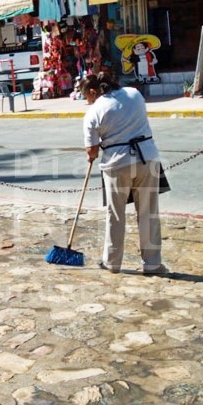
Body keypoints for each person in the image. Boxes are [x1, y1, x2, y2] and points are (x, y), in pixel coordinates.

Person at [81, 72, 167, 274]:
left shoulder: (93, 112)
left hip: (117, 162)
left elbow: (92, 150)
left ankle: (112, 262)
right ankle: (152, 263)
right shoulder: (134, 93)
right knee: (148, 212)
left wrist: (92, 155)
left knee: (116, 214)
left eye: (87, 97)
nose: (88, 101)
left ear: (93, 92)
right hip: (147, 156)